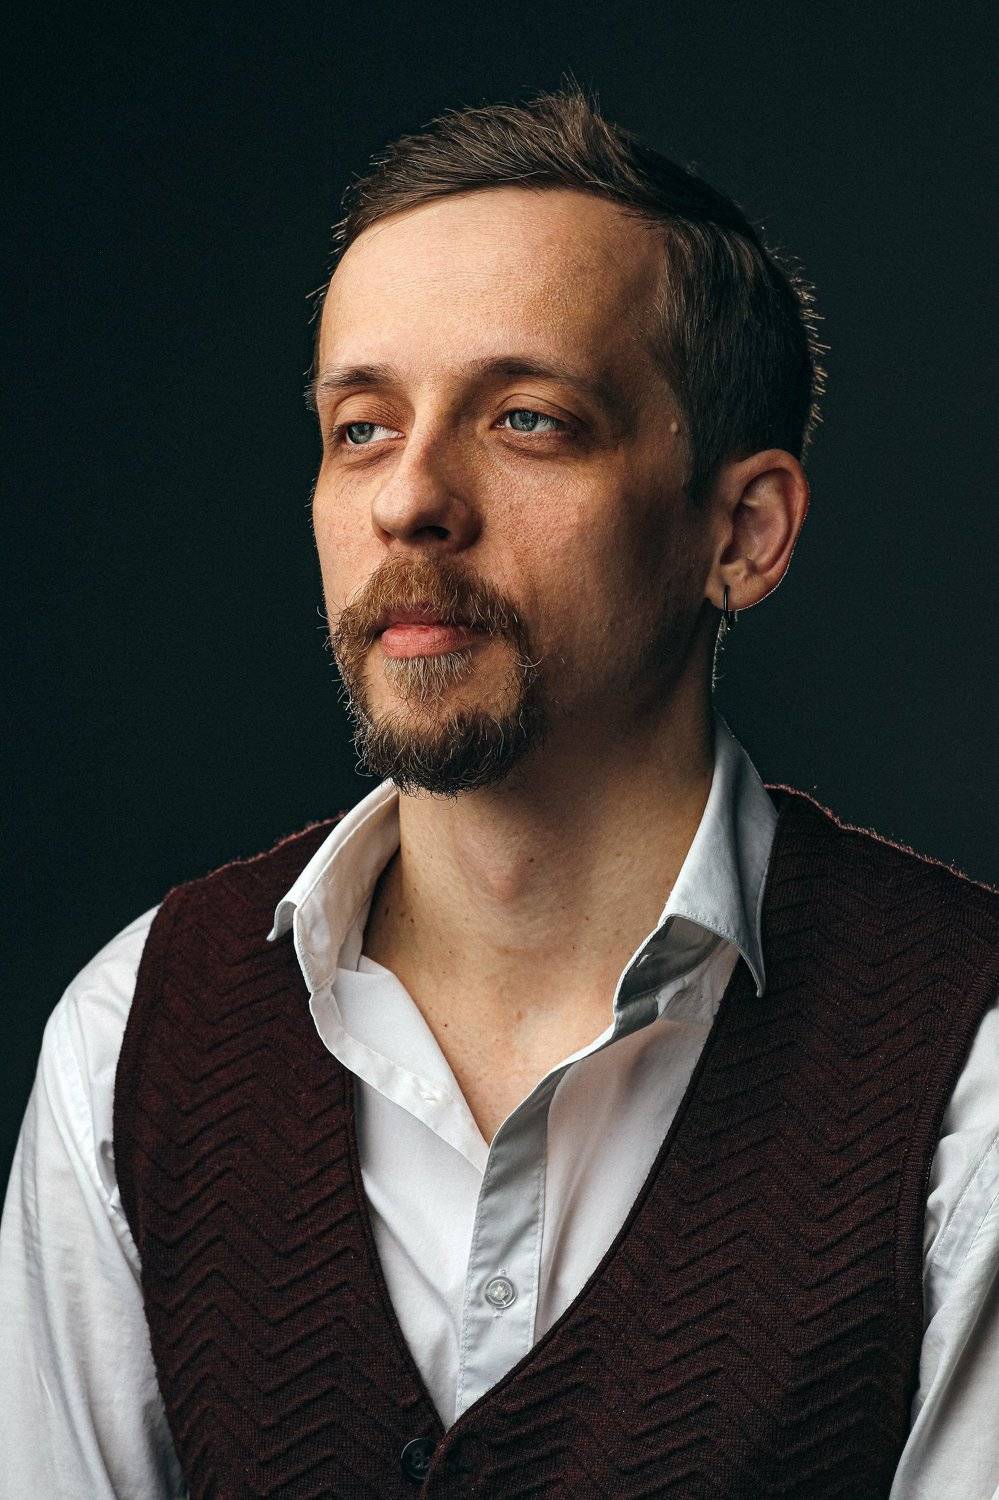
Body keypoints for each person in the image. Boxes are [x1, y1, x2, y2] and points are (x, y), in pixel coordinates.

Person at [1, 88, 996, 1500]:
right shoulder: (133, 1039)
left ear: (742, 531)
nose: (408, 500)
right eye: (361, 427)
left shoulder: (968, 1071)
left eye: (527, 419)